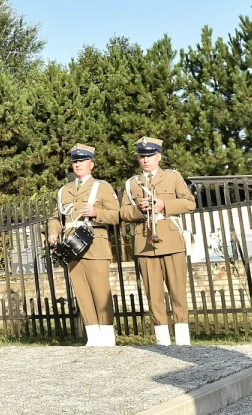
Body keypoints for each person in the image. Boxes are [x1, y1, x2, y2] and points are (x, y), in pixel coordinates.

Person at [118, 137, 196, 346]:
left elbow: (189, 203)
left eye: (150, 156)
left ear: (159, 156)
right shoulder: (131, 183)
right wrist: (138, 210)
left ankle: (182, 339)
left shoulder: (172, 177)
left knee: (178, 291)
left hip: (171, 239)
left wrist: (163, 204)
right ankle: (162, 340)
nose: (146, 160)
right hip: (145, 241)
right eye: (142, 156)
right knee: (153, 294)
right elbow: (124, 212)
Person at [47, 143, 121, 347]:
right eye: (75, 161)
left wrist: (97, 212)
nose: (78, 164)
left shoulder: (102, 187)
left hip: (95, 245)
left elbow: (116, 215)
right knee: (82, 292)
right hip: (72, 247)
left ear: (91, 164)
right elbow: (56, 216)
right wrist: (53, 231)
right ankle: (93, 336)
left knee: (100, 291)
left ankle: (107, 336)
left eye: (82, 161)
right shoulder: (64, 190)